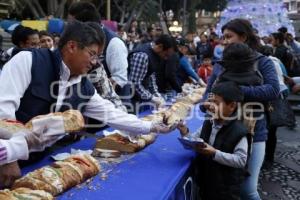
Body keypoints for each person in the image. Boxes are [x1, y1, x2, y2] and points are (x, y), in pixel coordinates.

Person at [0, 21, 173, 186]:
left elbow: (111, 113)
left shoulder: (82, 84)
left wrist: (152, 126)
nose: (95, 62)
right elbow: (3, 112)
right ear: (72, 46)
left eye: (98, 56)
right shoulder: (28, 61)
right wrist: (9, 157)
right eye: (92, 54)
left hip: (38, 160)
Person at [201, 18, 279, 200]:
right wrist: (207, 104)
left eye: (229, 36)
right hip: (221, 133)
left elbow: (273, 90)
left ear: (243, 37)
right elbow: (209, 93)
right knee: (223, 187)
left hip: (253, 131)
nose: (224, 41)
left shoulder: (263, 62)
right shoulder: (220, 64)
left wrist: (234, 92)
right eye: (223, 37)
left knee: (247, 190)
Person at [178, 82, 248, 200]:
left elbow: (241, 160)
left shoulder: (239, 131)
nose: (211, 106)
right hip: (208, 181)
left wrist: (215, 153)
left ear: (231, 106)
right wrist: (184, 131)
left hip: (225, 187)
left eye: (217, 103)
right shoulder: (209, 122)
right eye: (211, 102)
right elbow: (194, 138)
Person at [68, 2, 130, 102]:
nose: (68, 28)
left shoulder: (114, 43)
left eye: (71, 24)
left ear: (85, 25)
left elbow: (119, 79)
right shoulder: (76, 42)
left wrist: (98, 92)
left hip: (113, 106)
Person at [128, 34, 175, 108]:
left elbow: (151, 77)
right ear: (160, 47)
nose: (166, 58)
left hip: (141, 96)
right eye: (166, 55)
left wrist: (157, 95)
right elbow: (134, 83)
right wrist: (151, 98)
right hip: (130, 99)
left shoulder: (155, 55)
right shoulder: (142, 56)